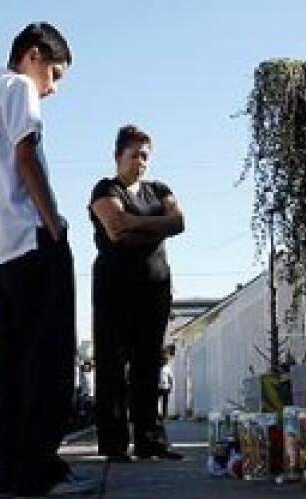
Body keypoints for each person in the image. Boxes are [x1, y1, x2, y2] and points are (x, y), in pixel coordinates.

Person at [0, 22, 91, 496]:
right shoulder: (18, 88)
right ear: (33, 55)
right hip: (31, 238)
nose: (52, 88)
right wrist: (54, 223)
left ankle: (12, 473)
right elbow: (25, 157)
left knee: (13, 366)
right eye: (54, 73)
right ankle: (40, 468)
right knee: (50, 360)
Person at [89, 125, 186, 461]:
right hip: (115, 290)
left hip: (155, 288)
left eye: (145, 156)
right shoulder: (106, 188)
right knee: (113, 365)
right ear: (118, 156)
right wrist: (154, 228)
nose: (141, 162)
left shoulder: (159, 189)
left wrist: (135, 223)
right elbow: (116, 229)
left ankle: (150, 440)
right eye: (134, 155)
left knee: (148, 365)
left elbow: (179, 222)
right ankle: (114, 444)